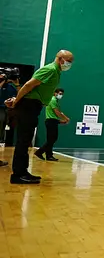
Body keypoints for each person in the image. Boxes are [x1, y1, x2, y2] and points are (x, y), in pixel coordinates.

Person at [6, 50, 74, 184]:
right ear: (60, 59)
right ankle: (18, 175)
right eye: (68, 61)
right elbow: (28, 85)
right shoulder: (50, 69)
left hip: (33, 105)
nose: (69, 64)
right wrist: (16, 101)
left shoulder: (56, 71)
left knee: (25, 140)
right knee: (23, 140)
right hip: (29, 106)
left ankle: (23, 172)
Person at [34, 88, 69, 162]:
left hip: (52, 121)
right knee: (52, 139)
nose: (61, 95)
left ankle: (49, 155)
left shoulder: (55, 101)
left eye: (62, 94)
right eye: (59, 93)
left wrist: (61, 122)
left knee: (51, 139)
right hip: (51, 122)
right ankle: (39, 152)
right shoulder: (53, 100)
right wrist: (66, 118)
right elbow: (57, 113)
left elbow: (53, 116)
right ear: (54, 93)